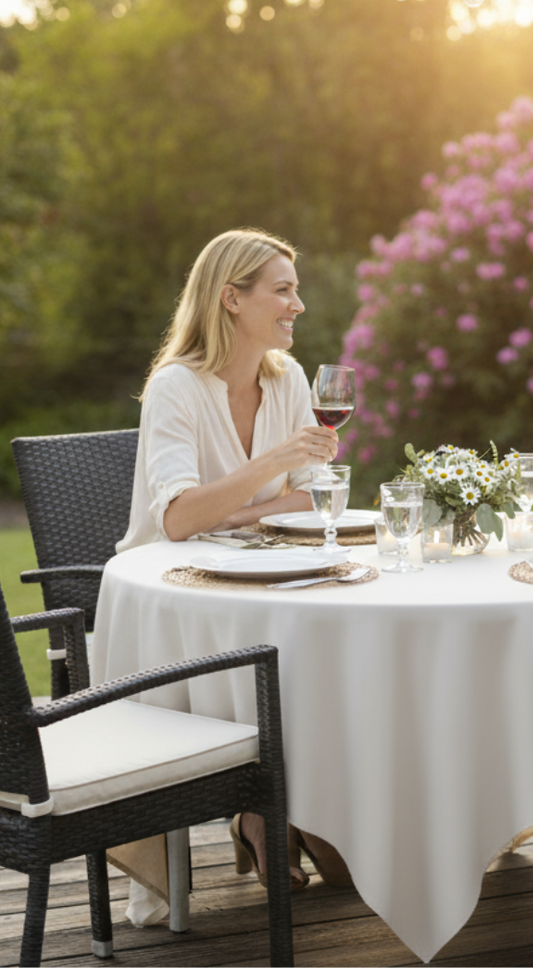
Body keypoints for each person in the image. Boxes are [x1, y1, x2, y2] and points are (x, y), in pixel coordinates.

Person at [113, 228, 350, 925]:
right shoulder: (175, 387)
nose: (298, 305)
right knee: (278, 656)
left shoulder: (289, 379)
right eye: (283, 290)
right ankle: (268, 810)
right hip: (177, 601)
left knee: (329, 647)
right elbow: (178, 520)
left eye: (295, 290)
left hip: (270, 577)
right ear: (231, 298)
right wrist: (269, 470)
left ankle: (287, 807)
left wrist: (239, 510)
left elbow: (316, 497)